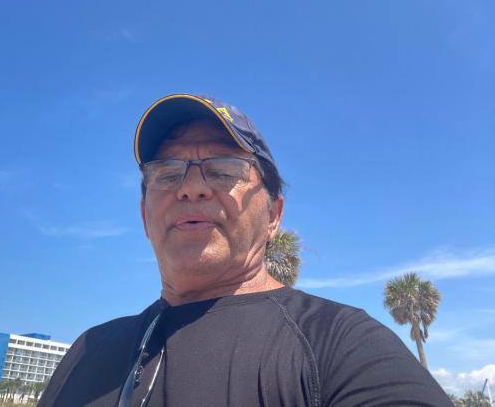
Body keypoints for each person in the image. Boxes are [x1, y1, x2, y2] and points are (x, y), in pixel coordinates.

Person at [38, 94, 452, 406]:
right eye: (166, 174)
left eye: (223, 170)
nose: (191, 187)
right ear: (145, 217)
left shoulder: (339, 344)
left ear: (273, 214)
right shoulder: (88, 351)